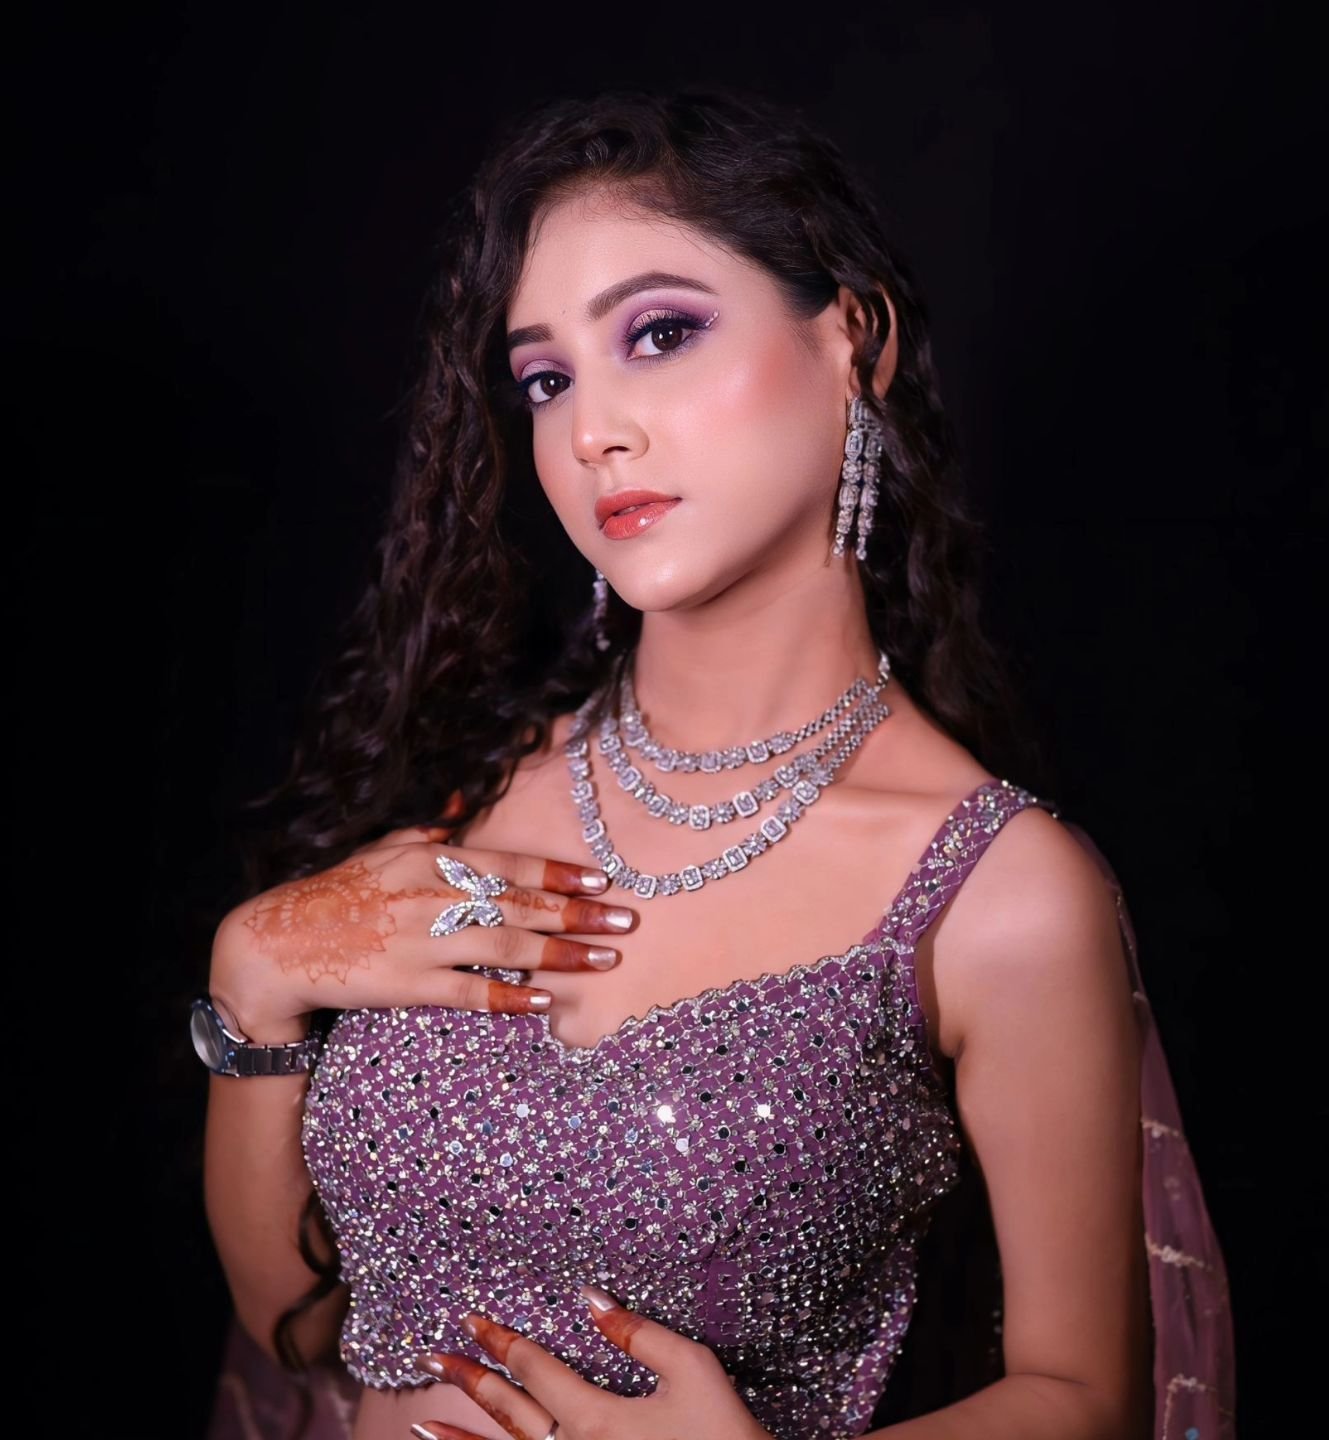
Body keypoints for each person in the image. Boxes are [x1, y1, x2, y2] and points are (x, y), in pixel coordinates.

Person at [197, 87, 1234, 1440]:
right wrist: (252, 978)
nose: (592, 430)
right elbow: (302, 1325)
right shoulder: (471, 794)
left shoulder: (997, 892)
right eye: (547, 379)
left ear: (854, 339)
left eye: (660, 334)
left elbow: (1085, 1398)